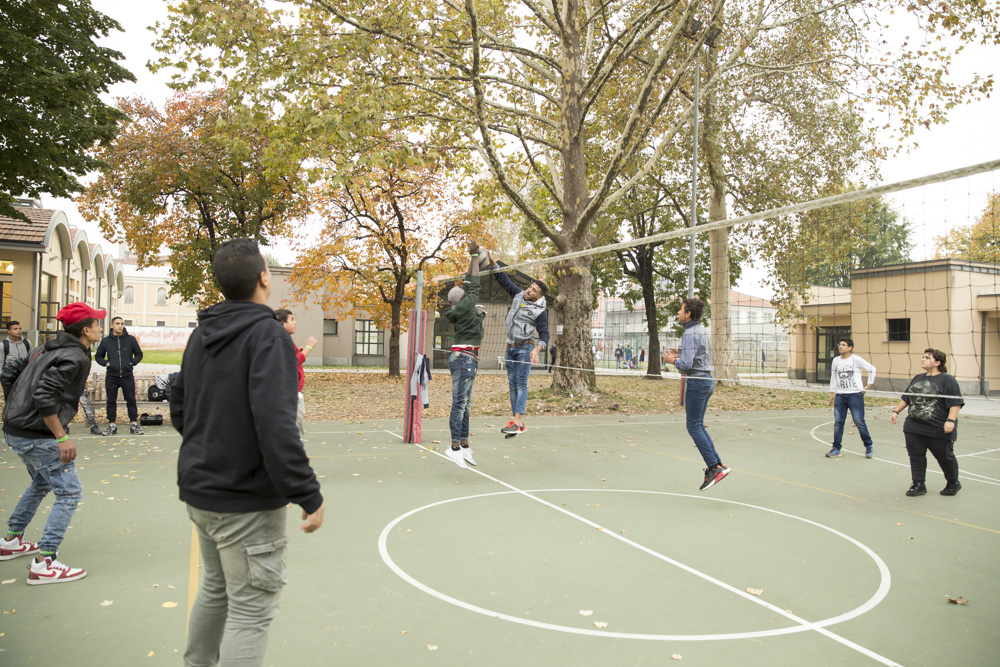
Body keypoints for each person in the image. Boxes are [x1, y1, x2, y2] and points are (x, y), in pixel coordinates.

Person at [170, 238, 324, 666]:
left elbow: (180, 404)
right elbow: (277, 424)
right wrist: (307, 492)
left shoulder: (202, 332)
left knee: (216, 589)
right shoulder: (268, 335)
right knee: (251, 610)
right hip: (243, 502)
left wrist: (211, 447)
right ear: (263, 278)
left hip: (202, 489)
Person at [0, 303, 105, 583]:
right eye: (97, 323)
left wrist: (15, 409)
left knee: (41, 482)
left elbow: (10, 374)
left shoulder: (45, 347)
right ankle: (45, 561)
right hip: (38, 435)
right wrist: (61, 437)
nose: (100, 327)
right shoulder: (74, 357)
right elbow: (44, 396)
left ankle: (11, 540)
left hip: (15, 429)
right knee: (69, 493)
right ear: (85, 329)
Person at [662, 297, 731, 491]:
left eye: (680, 310)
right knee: (697, 425)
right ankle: (718, 465)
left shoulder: (690, 333)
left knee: (693, 426)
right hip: (706, 380)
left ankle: (713, 467)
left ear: (688, 313)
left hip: (697, 382)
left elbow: (686, 365)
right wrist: (681, 352)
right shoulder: (700, 330)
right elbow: (695, 355)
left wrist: (671, 360)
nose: (678, 313)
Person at [486, 252, 550, 437]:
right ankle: (516, 422)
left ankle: (518, 422)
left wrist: (537, 349)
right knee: (512, 385)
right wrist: (493, 264)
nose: (529, 290)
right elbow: (503, 280)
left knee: (521, 384)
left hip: (524, 349)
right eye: (530, 287)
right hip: (510, 347)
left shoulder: (540, 311)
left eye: (534, 290)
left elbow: (545, 334)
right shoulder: (519, 295)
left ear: (539, 296)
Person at [889, 348, 964, 497]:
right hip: (914, 426)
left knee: (945, 457)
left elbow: (955, 403)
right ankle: (918, 484)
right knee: (916, 456)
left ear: (937, 362)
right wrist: (896, 411)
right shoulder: (918, 378)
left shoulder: (947, 380)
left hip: (938, 427)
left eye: (927, 358)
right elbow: (907, 397)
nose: (923, 359)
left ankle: (953, 482)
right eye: (922, 357)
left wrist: (951, 420)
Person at [442, 240, 487, 469]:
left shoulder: (462, 306)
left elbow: (470, 284)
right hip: (463, 360)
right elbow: (475, 286)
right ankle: (453, 447)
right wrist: (474, 253)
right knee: (460, 403)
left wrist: (472, 261)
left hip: (467, 359)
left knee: (466, 404)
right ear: (462, 300)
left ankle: (465, 445)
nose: (470, 295)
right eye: (467, 294)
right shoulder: (465, 306)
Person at [825, 337, 877, 459]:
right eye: (839, 344)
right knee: (838, 422)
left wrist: (867, 386)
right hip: (840, 396)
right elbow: (833, 377)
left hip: (855, 395)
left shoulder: (856, 359)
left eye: (843, 345)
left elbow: (872, 369)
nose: (840, 346)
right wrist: (832, 393)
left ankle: (868, 446)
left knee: (859, 421)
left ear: (850, 348)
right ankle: (836, 448)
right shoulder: (836, 360)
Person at [94, 316, 144, 435]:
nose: (120, 326)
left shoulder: (130, 339)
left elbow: (139, 354)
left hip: (127, 375)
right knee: (111, 401)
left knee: (131, 400)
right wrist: (106, 363)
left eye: (121, 323)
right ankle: (112, 425)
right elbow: (98, 356)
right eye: (117, 323)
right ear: (112, 325)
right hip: (112, 376)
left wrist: (131, 362)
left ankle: (133, 424)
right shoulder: (106, 341)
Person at [274, 309, 318, 437]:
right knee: (295, 433)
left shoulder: (281, 340)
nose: (295, 322)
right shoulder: (281, 340)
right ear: (282, 323)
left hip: (288, 393)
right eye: (292, 319)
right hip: (290, 395)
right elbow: (292, 362)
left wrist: (297, 351)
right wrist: (309, 348)